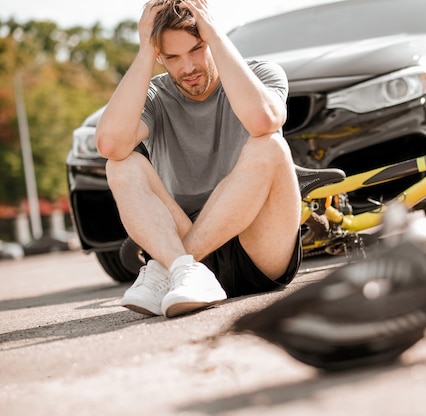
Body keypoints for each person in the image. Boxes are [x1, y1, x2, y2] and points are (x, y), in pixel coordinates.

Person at [95, 0, 302, 318]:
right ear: (160, 57)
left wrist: (217, 38)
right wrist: (144, 53)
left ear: (212, 39)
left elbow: (263, 121)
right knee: (122, 163)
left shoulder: (261, 73)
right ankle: (182, 268)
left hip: (258, 250)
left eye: (196, 49)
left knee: (270, 145)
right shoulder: (155, 96)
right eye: (173, 57)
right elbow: (110, 144)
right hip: (183, 261)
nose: (188, 67)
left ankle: (166, 271)